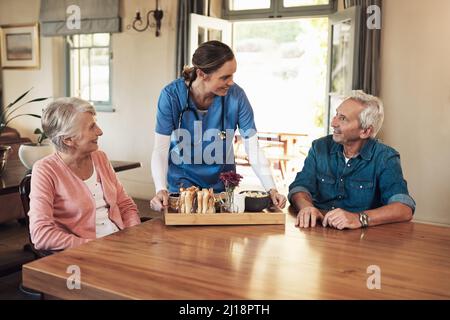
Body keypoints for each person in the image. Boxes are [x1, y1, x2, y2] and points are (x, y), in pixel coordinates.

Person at [150, 40, 287, 211]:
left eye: (232, 75)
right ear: (202, 74)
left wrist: (271, 188)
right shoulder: (171, 96)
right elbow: (160, 150)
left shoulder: (236, 96)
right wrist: (160, 189)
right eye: (224, 77)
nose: (231, 82)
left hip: (221, 189)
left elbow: (253, 148)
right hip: (182, 187)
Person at [288, 91, 415, 230]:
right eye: (336, 114)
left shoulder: (385, 157)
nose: (333, 123)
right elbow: (299, 187)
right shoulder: (319, 147)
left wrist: (359, 218)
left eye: (343, 118)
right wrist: (306, 207)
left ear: (365, 131)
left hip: (363, 241)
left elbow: (404, 209)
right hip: (317, 233)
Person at [29, 98, 141, 251]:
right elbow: (41, 235)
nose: (100, 131)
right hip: (85, 255)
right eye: (91, 127)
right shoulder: (45, 170)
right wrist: (95, 247)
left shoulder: (100, 157)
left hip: (121, 245)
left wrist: (133, 236)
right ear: (68, 139)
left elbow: (126, 206)